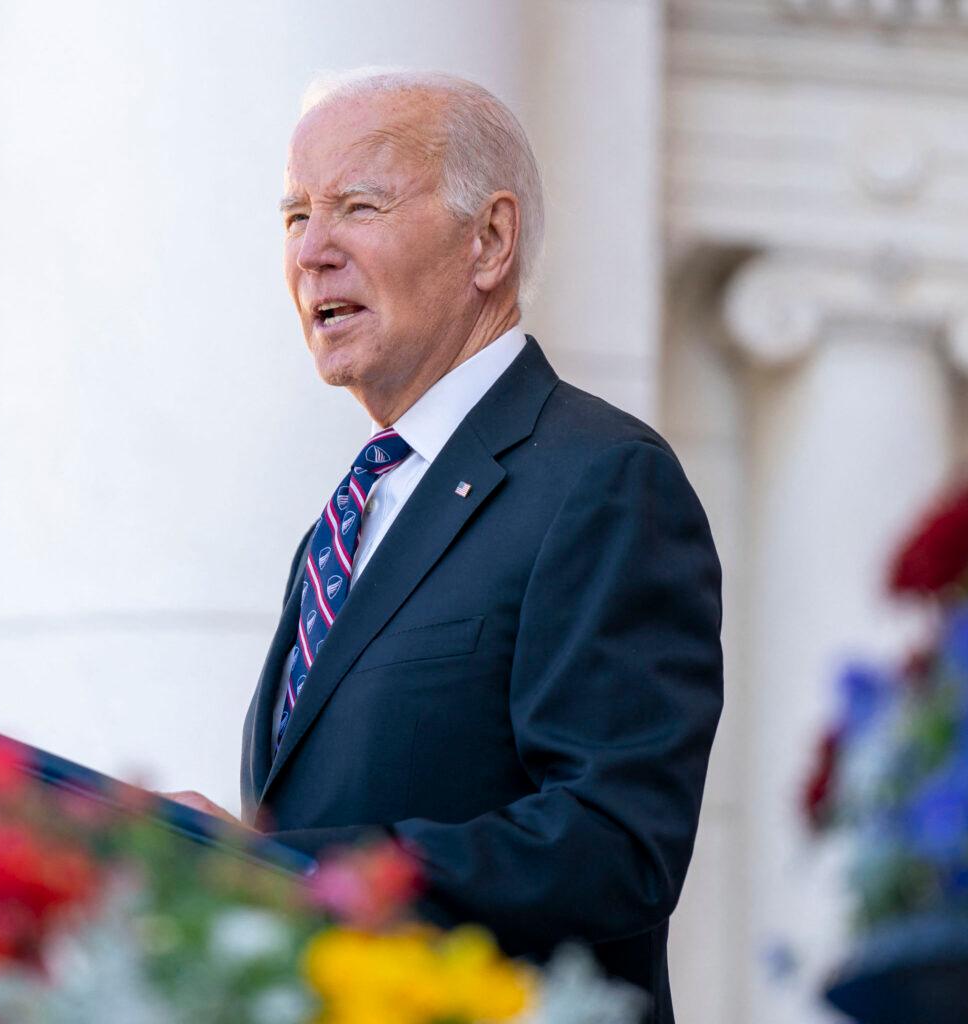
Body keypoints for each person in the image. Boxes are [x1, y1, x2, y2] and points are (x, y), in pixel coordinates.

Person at [165, 70, 722, 1023]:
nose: (312, 251)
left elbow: (613, 842)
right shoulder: (346, 520)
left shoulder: (599, 477)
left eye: (357, 205)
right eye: (294, 216)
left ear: (489, 241)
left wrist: (293, 875)